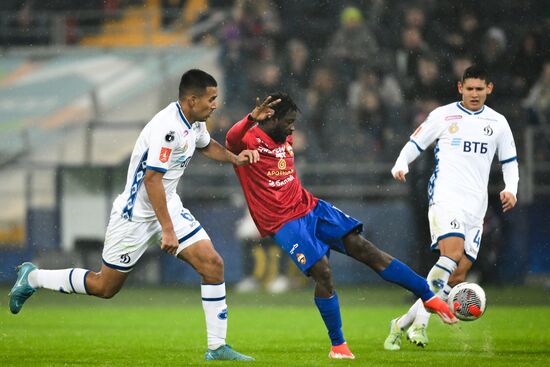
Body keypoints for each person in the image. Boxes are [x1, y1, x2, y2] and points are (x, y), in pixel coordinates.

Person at [9, 69, 258, 361]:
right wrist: (167, 230)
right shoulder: (169, 128)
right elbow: (152, 180)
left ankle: (217, 348)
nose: (215, 104)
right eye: (211, 99)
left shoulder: (193, 121)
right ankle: (34, 278)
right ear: (191, 100)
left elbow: (205, 145)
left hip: (168, 206)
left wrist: (234, 158)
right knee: (105, 287)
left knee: (213, 264)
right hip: (136, 215)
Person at [225, 92, 458, 360]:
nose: (292, 128)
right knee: (323, 272)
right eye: (288, 121)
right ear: (270, 118)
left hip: (310, 207)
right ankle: (338, 345)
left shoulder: (285, 137)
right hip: (283, 222)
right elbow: (230, 140)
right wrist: (251, 118)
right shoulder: (249, 139)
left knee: (365, 249)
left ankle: (427, 294)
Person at [384, 65, 519, 350]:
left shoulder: (498, 122)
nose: (474, 94)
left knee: (457, 274)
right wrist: (400, 163)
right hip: (446, 198)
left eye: (479, 89)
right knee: (452, 255)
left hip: (476, 208)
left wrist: (511, 188)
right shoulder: (444, 115)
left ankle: (401, 323)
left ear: (489, 89)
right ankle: (421, 326)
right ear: (460, 88)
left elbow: (510, 162)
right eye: (469, 89)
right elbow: (415, 142)